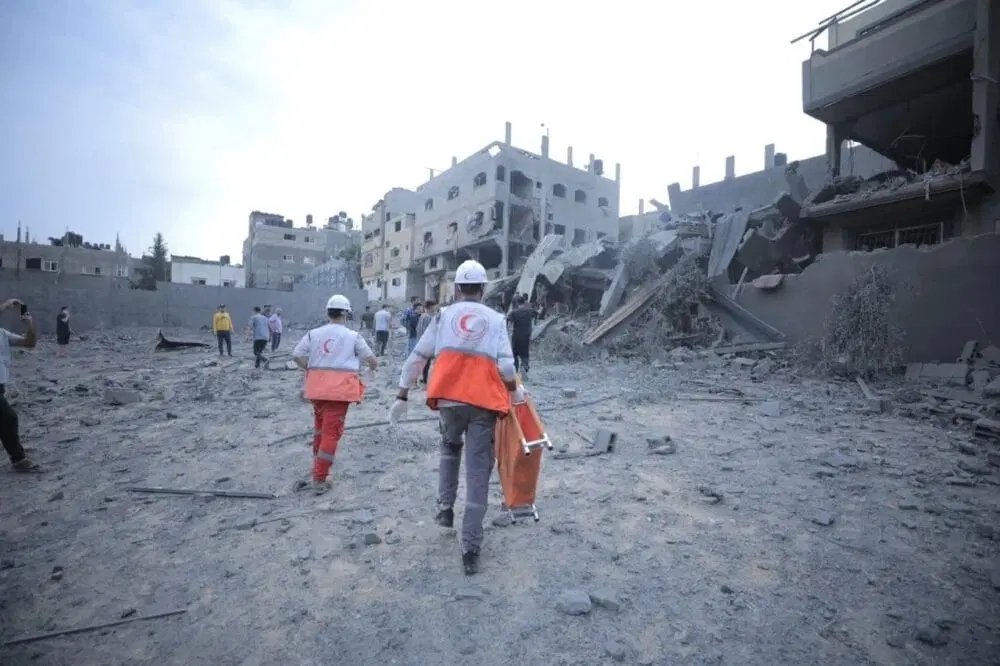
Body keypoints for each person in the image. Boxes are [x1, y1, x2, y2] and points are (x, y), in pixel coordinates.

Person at [389, 260, 521, 576]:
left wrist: (402, 394)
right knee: (477, 471)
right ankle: (470, 548)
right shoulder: (496, 320)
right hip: (483, 404)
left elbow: (418, 355)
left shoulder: (443, 316)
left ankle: (445, 509)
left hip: (448, 400)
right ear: (483, 289)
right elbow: (506, 366)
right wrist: (516, 393)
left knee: (449, 449)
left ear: (458, 288)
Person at [292, 294, 377, 495]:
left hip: (317, 390)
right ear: (346, 314)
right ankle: (320, 478)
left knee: (320, 429)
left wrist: (310, 369)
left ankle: (318, 467)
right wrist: (371, 369)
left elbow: (296, 355)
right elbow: (371, 359)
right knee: (331, 433)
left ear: (328, 313)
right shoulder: (352, 336)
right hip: (339, 392)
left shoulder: (313, 334)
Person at [0, 298, 40, 471]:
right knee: (8, 419)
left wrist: (29, 326)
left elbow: (30, 343)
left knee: (7, 419)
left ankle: (18, 459)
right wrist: (3, 307)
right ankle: (19, 460)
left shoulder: (2, 334)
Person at [507, 294, 538, 376]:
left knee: (514, 354)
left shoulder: (513, 312)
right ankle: (524, 367)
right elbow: (536, 316)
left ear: (517, 303)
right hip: (526, 336)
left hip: (516, 336)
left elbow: (509, 326)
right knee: (525, 354)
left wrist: (509, 333)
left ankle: (515, 370)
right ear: (524, 302)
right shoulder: (530, 311)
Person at [417, 300, 437, 385]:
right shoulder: (429, 317)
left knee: (425, 362)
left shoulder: (422, 316)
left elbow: (418, 329)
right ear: (431, 307)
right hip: (428, 342)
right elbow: (428, 331)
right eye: (434, 306)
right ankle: (426, 379)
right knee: (428, 362)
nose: (435, 308)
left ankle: (424, 378)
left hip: (422, 342)